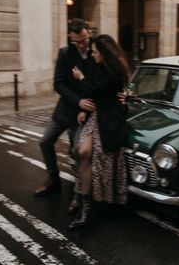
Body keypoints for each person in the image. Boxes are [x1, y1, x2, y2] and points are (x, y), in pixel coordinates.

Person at [68, 34, 131, 230]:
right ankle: (85, 206)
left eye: (95, 52)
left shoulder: (115, 73)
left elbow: (94, 90)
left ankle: (96, 204)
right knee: (82, 152)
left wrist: (81, 78)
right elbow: (90, 93)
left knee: (95, 156)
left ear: (104, 54)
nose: (93, 54)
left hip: (110, 118)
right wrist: (82, 108)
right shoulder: (97, 66)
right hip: (95, 115)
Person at [34, 18, 96, 199]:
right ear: (70, 37)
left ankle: (79, 191)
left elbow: (98, 83)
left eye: (85, 40)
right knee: (45, 141)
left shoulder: (96, 52)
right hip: (65, 109)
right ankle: (53, 178)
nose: (83, 45)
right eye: (77, 41)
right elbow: (58, 84)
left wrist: (85, 106)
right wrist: (78, 102)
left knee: (79, 152)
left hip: (85, 114)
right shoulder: (65, 53)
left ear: (88, 33)